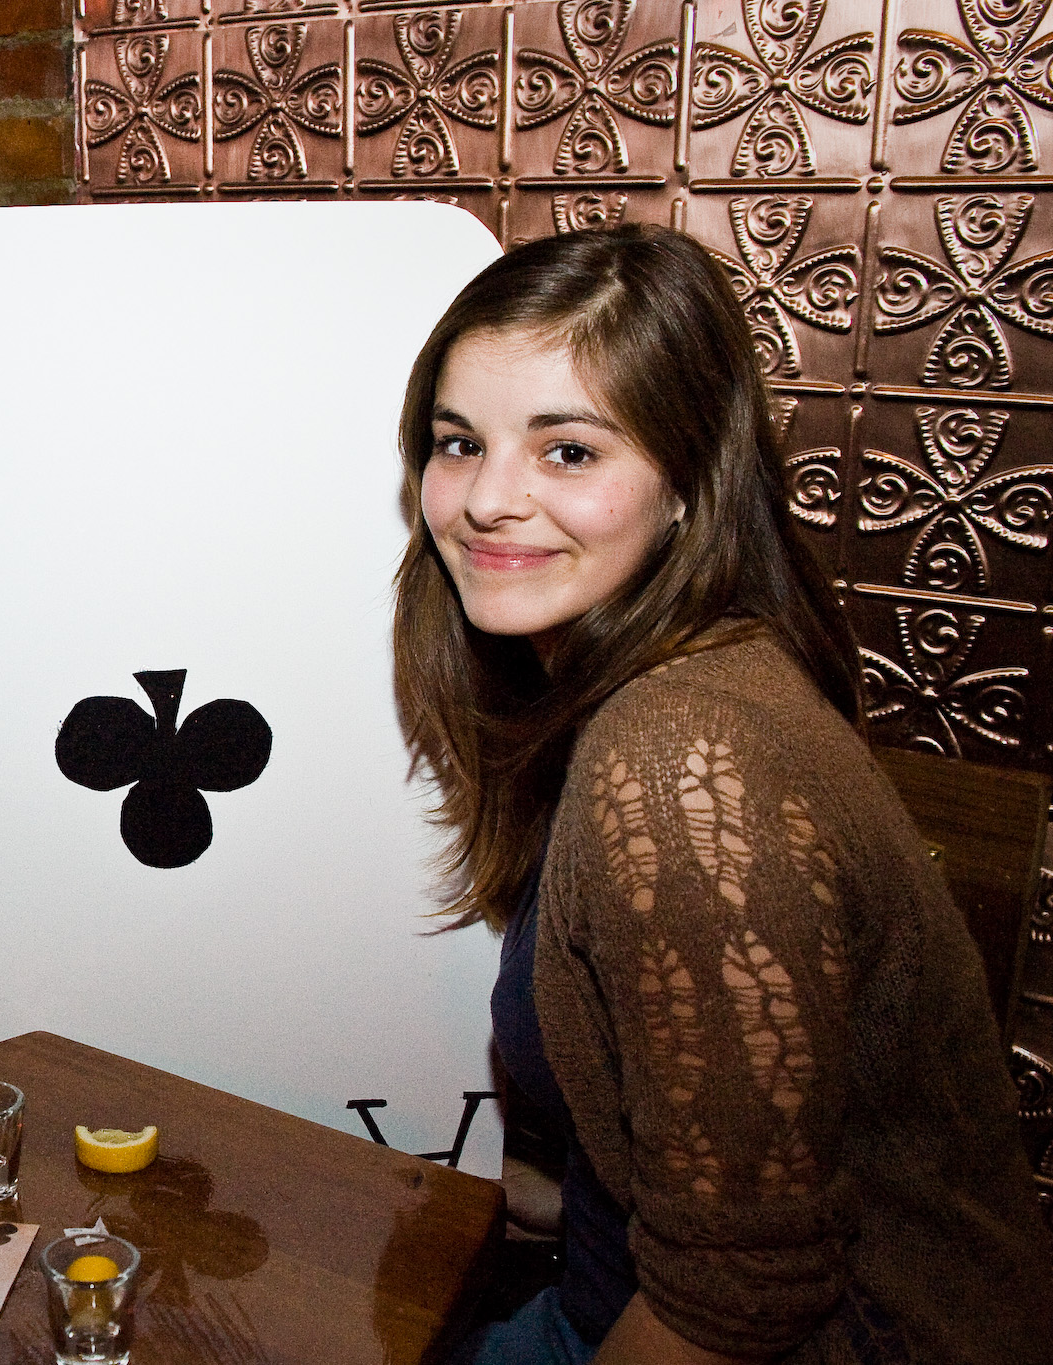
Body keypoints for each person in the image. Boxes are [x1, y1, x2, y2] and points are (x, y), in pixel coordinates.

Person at [392, 226, 1053, 1365]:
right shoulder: (645, 678)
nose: (486, 499)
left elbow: (733, 1306)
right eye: (458, 443)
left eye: (567, 453)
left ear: (690, 482)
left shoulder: (678, 759)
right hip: (609, 1280)